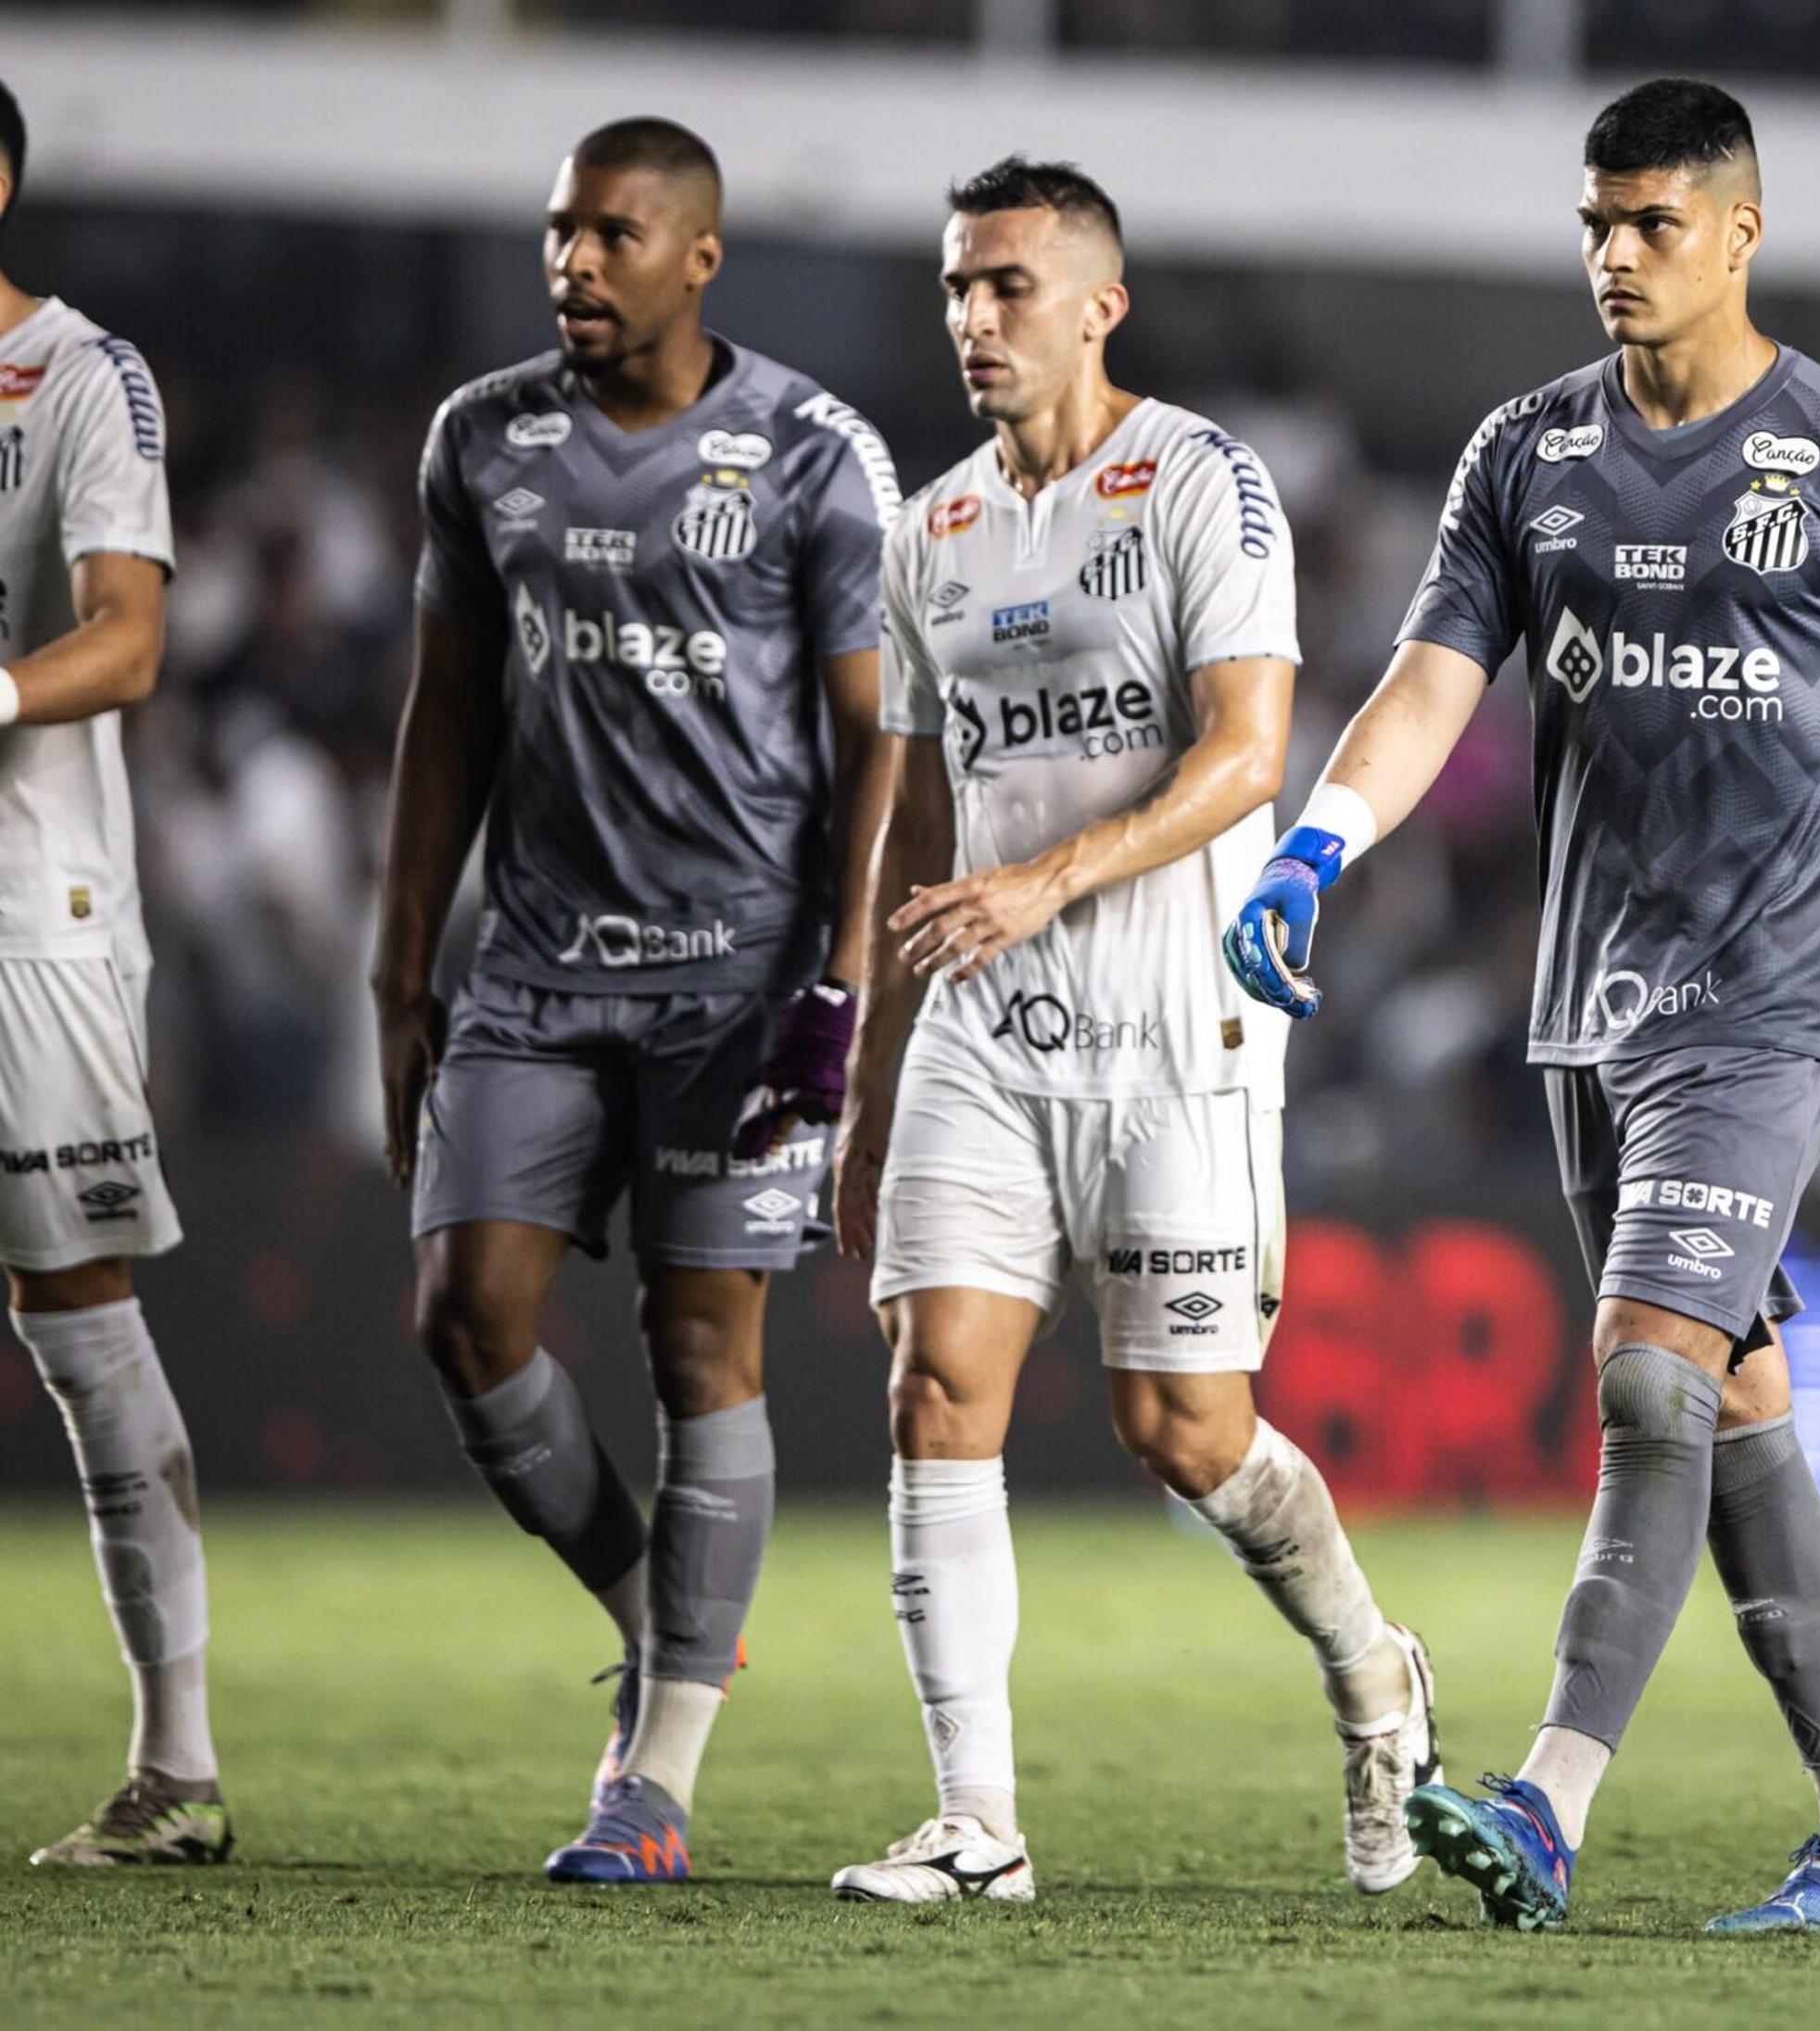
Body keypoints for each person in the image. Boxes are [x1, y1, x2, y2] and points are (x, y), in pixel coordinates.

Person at [1222, 77, 1820, 1936]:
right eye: (1594, 224)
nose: (1612, 256)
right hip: (1586, 1010)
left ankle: (1545, 1797)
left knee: (1646, 1389)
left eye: (1652, 226)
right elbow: (1434, 676)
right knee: (1742, 1422)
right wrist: (1314, 846)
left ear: (1739, 235)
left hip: (1765, 1004)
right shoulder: (1524, 454)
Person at [823, 157, 1434, 1907]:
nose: (973, 318)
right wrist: (869, 1085)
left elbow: (1250, 752)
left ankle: (1374, 1673)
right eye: (955, 287)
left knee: (1183, 1434)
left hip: (1180, 1026)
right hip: (984, 1030)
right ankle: (978, 1824)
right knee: (937, 1388)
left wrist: (1059, 876)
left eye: (1008, 285)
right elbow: (923, 825)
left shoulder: (1201, 484)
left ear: (1101, 302)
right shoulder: (928, 530)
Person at [373, 118, 901, 1882]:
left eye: (610, 236)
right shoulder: (482, 438)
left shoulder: (816, 454)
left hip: (732, 983)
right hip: (529, 967)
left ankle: (653, 1780)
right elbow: (443, 714)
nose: (571, 265)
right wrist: (396, 963)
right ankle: (664, 1605)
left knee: (699, 1349)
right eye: (556, 235)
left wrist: (845, 971)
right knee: (466, 1315)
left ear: (699, 256)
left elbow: (871, 739)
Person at [0, 76, 230, 1869]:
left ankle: (179, 1767)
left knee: (74, 1314)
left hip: (28, 906)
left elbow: (130, 637)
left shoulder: (80, 377)